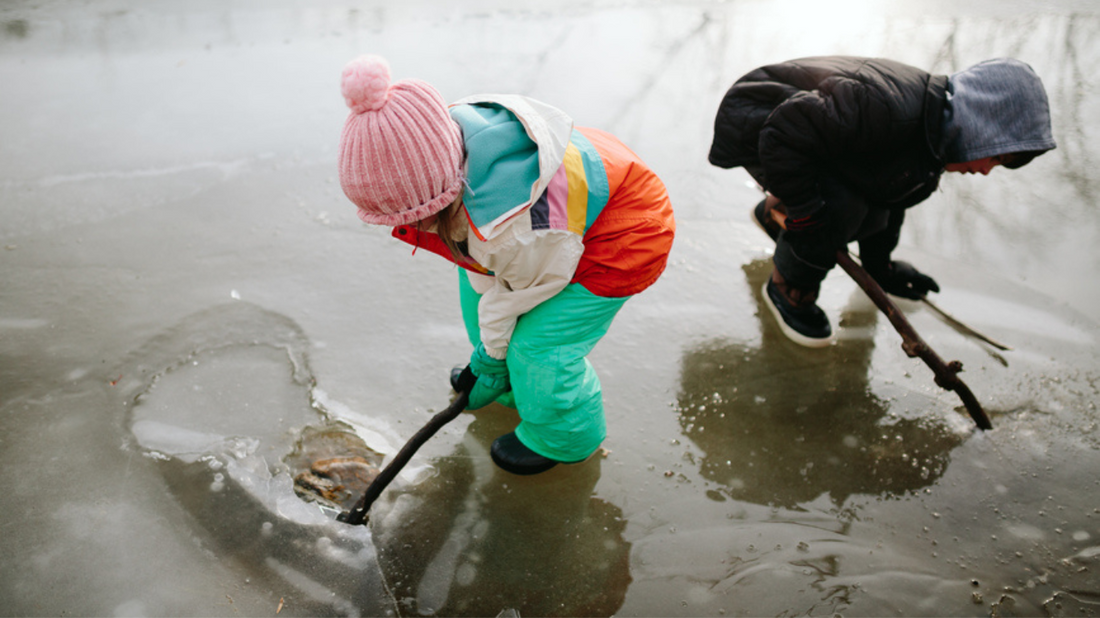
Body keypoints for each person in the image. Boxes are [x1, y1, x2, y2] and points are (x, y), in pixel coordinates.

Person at [337, 55, 675, 475]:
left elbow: (522, 294)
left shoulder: (507, 229)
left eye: (404, 216)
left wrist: (492, 360)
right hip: (564, 215)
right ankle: (515, 386)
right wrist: (490, 354)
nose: (400, 226)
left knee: (540, 347)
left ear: (434, 199)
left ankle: (566, 435)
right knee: (476, 296)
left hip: (622, 236)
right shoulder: (441, 143)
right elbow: (490, 281)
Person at [708, 56, 1056, 347]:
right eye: (995, 157)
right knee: (836, 207)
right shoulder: (888, 109)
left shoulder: (929, 137)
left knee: (870, 195)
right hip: (756, 117)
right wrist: (805, 212)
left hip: (802, 136)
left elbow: (889, 198)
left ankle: (773, 213)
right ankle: (789, 288)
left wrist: (882, 269)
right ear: (980, 124)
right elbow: (784, 132)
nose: (985, 171)